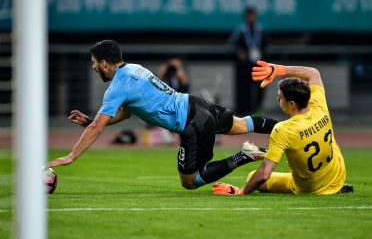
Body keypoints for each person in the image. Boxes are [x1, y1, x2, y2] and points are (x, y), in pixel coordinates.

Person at [47, 40, 278, 190]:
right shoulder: (135, 69)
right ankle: (289, 127)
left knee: (190, 181)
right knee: (242, 124)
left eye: (94, 63)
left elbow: (98, 127)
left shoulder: (117, 86)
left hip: (191, 123)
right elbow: (126, 113)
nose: (93, 67)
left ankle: (243, 156)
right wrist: (89, 121)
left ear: (105, 63)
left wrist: (71, 156)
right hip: (195, 103)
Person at [213, 60, 353, 195]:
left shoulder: (283, 129)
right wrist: (279, 70)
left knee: (252, 177)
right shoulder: (318, 105)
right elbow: (313, 73)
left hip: (311, 188)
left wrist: (241, 192)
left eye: (280, 97)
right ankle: (338, 186)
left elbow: (264, 174)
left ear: (291, 104)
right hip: (338, 176)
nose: (278, 100)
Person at [228, 7, 267, 115]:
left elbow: (267, 46)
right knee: (244, 89)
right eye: (249, 15)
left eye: (252, 15)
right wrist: (239, 52)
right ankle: (243, 111)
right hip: (244, 66)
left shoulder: (261, 30)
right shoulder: (241, 31)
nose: (251, 17)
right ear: (246, 17)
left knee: (259, 88)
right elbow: (232, 45)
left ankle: (257, 109)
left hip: (259, 64)